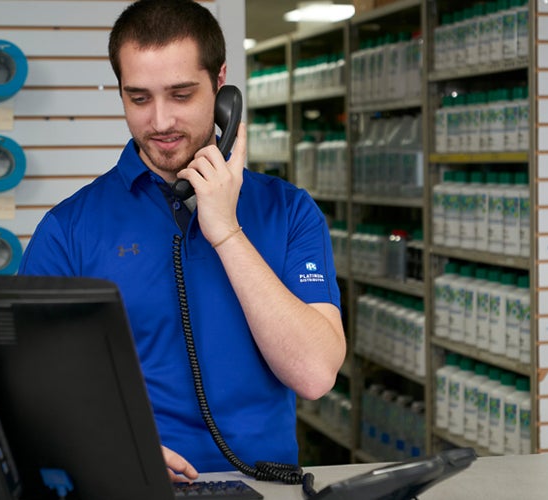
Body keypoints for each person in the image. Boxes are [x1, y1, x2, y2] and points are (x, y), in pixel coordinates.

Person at [19, 0, 346, 483]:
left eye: (181, 94)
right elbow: (30, 392)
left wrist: (227, 231)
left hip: (267, 487)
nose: (160, 122)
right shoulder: (68, 229)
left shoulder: (289, 210)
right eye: (139, 98)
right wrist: (111, 444)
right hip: (131, 485)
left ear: (221, 86)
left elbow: (315, 375)